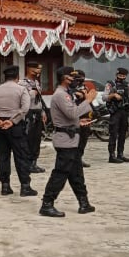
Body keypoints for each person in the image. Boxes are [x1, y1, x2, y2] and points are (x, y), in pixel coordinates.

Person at [39, 66, 99, 217]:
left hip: (72, 139)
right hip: (65, 140)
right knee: (60, 172)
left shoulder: (66, 94)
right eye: (72, 77)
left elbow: (71, 117)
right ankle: (47, 203)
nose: (75, 80)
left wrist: (79, 121)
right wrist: (88, 100)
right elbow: (72, 113)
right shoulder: (60, 95)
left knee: (76, 173)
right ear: (65, 78)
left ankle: (83, 202)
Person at [0, 65, 36, 197]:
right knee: (21, 156)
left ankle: (5, 185)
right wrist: (12, 121)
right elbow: (25, 108)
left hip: (0, 125)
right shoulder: (21, 89)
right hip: (15, 125)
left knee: (3, 156)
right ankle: (25, 186)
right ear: (17, 77)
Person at [19, 62, 47, 174]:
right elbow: (21, 99)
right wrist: (32, 93)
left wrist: (43, 112)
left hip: (37, 112)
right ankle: (26, 163)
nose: (38, 73)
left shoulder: (36, 82)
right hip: (28, 113)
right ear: (30, 70)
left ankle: (33, 163)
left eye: (39, 70)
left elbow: (39, 100)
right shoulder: (22, 83)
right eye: (36, 70)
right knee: (28, 139)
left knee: (36, 139)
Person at [104, 68, 129, 163]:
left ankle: (120, 154)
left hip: (124, 111)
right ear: (116, 75)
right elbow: (104, 97)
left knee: (122, 133)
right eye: (120, 76)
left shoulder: (127, 85)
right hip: (115, 111)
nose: (122, 78)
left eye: (124, 76)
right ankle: (111, 156)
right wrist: (113, 95)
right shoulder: (110, 84)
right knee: (113, 133)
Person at [71, 69, 93, 168]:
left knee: (84, 138)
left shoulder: (85, 87)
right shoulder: (70, 88)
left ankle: (79, 157)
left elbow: (89, 100)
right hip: (75, 115)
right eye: (77, 79)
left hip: (85, 114)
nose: (79, 81)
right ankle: (74, 159)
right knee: (75, 138)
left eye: (80, 79)